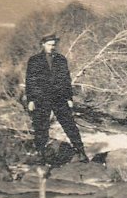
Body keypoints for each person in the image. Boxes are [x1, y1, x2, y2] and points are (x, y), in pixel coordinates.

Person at [25, 34, 89, 164]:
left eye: (54, 45)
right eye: (49, 44)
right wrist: (31, 100)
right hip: (41, 97)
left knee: (69, 124)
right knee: (41, 126)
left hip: (59, 97)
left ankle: (81, 152)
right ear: (43, 44)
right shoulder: (34, 60)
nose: (52, 47)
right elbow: (30, 80)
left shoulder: (61, 59)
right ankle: (40, 154)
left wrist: (69, 97)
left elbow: (66, 79)